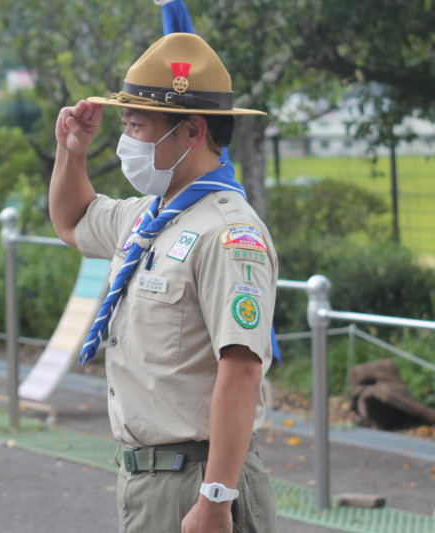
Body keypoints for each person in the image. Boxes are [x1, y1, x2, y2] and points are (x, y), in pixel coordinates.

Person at [49, 32, 277, 533]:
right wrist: (72, 152)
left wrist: (216, 499)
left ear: (191, 131)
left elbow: (241, 370)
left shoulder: (228, 233)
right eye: (126, 125)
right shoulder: (148, 218)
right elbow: (72, 221)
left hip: (198, 478)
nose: (126, 140)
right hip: (147, 479)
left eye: (137, 126)